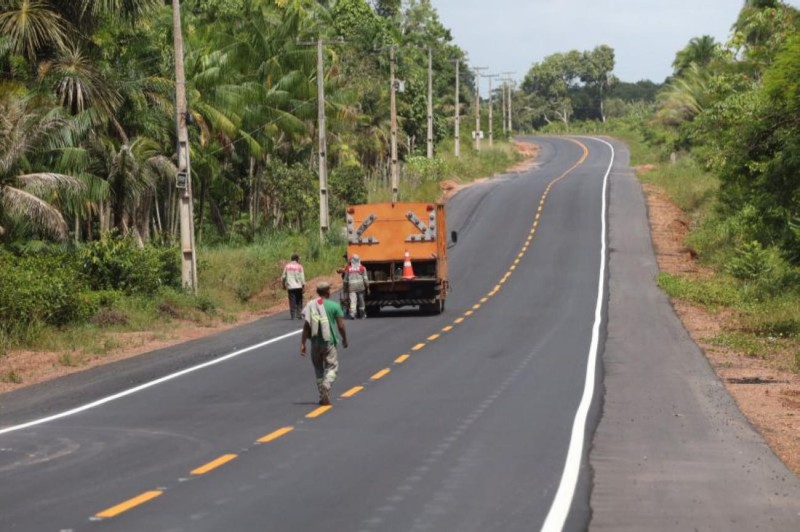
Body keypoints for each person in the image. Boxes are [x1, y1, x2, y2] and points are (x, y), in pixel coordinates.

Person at [300, 282, 348, 405]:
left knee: (318, 369)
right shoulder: (334, 306)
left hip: (315, 343)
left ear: (317, 292)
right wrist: (344, 338)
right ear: (327, 292)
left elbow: (306, 326)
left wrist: (303, 343)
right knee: (332, 367)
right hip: (329, 343)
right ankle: (326, 385)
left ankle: (322, 395)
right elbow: (341, 325)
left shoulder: (311, 305)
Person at [344, 254, 369, 319]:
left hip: (351, 288)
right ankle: (362, 314)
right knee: (361, 301)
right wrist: (367, 287)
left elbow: (345, 280)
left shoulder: (348, 269)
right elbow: (365, 279)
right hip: (361, 287)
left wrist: (345, 289)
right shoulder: (362, 268)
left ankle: (352, 314)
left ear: (352, 260)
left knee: (353, 301)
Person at [281, 253, 305, 320]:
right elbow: (302, 278)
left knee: (292, 301)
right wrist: (303, 286)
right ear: (297, 259)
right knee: (299, 300)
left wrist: (283, 285)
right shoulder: (300, 266)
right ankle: (299, 314)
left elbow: (283, 277)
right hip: (299, 286)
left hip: (291, 287)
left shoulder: (287, 266)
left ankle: (293, 315)